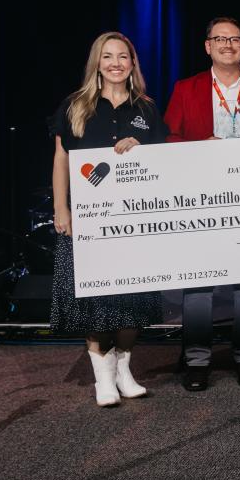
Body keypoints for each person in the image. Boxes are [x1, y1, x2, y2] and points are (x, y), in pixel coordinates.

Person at [163, 17, 240, 392]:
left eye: (235, 39)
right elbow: (167, 140)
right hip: (201, 199)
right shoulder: (186, 89)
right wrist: (199, 149)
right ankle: (197, 358)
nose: (227, 44)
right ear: (207, 46)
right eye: (220, 38)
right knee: (198, 282)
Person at [49, 31, 167, 407]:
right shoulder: (75, 105)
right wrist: (61, 208)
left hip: (134, 221)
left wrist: (140, 147)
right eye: (107, 57)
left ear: (133, 63)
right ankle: (103, 377)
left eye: (123, 57)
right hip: (88, 221)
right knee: (95, 301)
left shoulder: (146, 109)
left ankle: (124, 369)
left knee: (133, 297)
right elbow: (62, 159)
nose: (115, 63)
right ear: (96, 63)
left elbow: (164, 163)